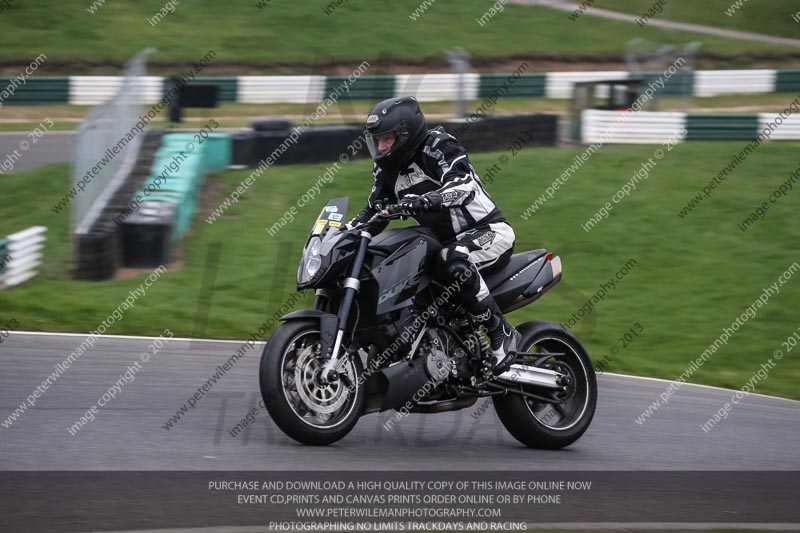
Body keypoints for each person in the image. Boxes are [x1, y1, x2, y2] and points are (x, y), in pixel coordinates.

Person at [349, 96, 520, 374]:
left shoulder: (439, 146)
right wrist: (344, 234)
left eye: (387, 139)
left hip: (488, 232)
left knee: (452, 256)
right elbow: (373, 211)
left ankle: (501, 332)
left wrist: (425, 200)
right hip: (442, 245)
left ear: (406, 134)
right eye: (377, 140)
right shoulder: (387, 171)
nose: (381, 147)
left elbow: (464, 186)